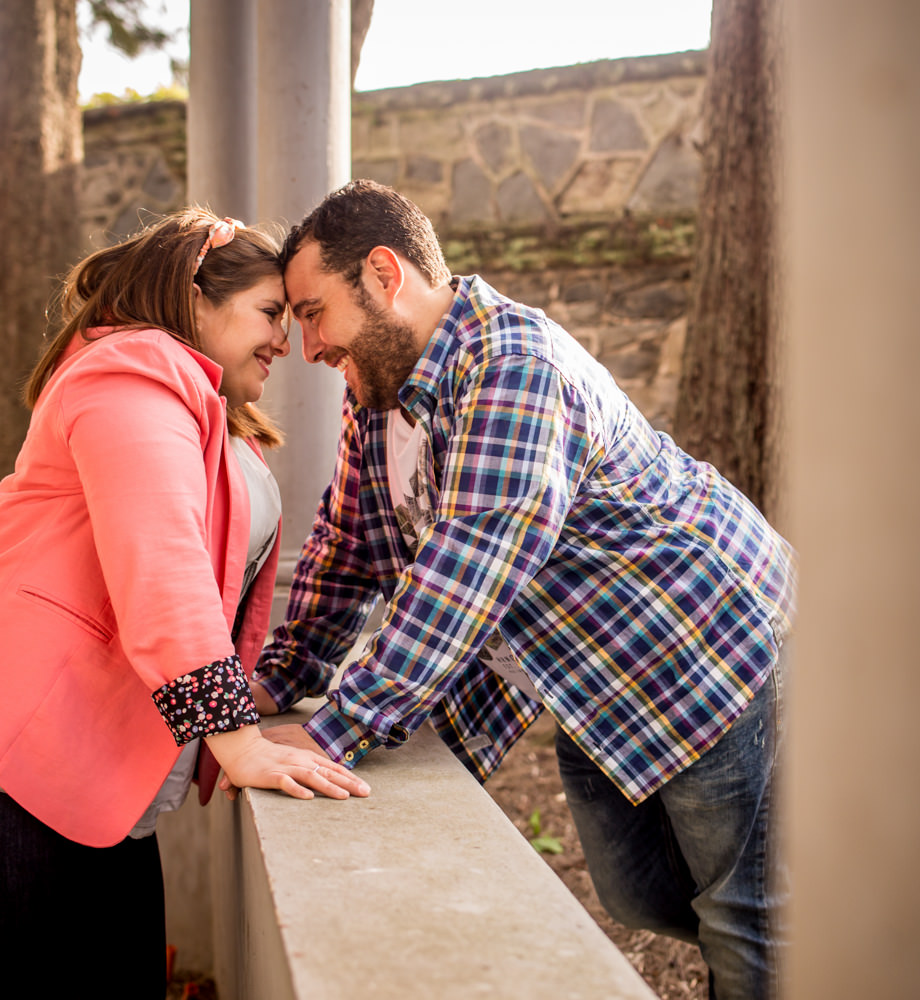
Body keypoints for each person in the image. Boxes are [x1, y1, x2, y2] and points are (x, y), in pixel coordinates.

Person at [251, 179, 795, 1000]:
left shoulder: (514, 367)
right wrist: (274, 684)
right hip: (592, 678)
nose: (307, 347)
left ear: (385, 274)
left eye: (314, 311)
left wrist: (332, 734)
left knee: (744, 919)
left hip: (711, 649)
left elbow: (464, 573)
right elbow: (347, 550)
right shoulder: (382, 395)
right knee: (635, 893)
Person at [0, 208, 369, 998]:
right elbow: (159, 559)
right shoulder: (129, 372)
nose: (285, 343)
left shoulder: (213, 418)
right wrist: (235, 740)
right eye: (270, 312)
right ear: (193, 297)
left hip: (85, 791)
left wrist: (263, 697)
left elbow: (220, 594)